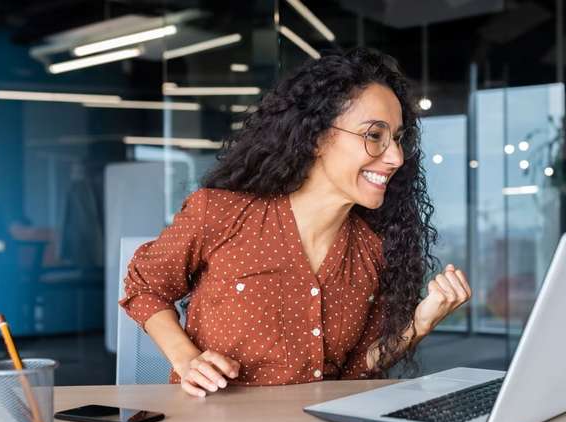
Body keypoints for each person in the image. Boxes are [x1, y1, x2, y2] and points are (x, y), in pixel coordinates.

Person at [119, 47, 472, 397]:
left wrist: (419, 324)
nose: (395, 157)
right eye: (374, 136)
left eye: (397, 139)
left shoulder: (371, 252)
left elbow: (354, 371)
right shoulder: (220, 213)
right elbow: (145, 285)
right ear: (317, 137)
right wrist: (186, 359)